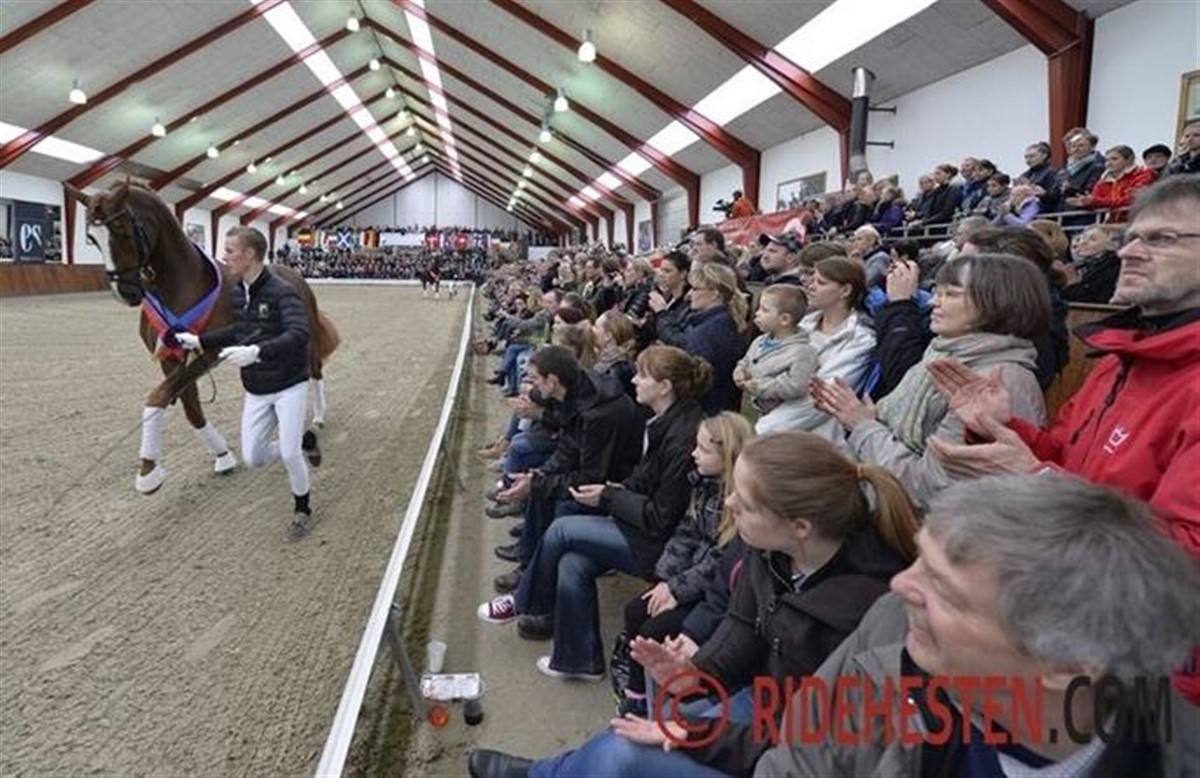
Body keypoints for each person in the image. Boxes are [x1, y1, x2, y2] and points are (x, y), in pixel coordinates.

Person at [466, 431, 920, 778]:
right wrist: (695, 673)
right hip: (765, 707)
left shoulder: (863, 611)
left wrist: (698, 733)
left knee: (627, 752)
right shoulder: (769, 549)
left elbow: (808, 744)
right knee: (646, 720)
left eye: (745, 502)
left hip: (793, 748)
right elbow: (741, 629)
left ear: (800, 526)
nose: (729, 503)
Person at [753, 474, 1199, 777]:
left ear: (1067, 664)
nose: (900, 585)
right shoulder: (894, 627)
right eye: (921, 560)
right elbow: (797, 763)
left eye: (944, 590)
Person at [926, 175, 1200, 559]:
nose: (1128, 252)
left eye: (1162, 238)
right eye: (1130, 237)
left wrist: (1039, 482)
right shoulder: (1119, 361)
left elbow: (1186, 556)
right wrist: (1000, 427)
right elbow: (1063, 456)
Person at [477, 346, 709, 681]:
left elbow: (662, 519)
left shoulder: (682, 436)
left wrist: (610, 495)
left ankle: (524, 600)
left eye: (643, 375)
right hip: (641, 525)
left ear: (665, 386)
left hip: (662, 548)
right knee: (572, 562)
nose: (634, 380)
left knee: (562, 529)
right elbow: (642, 480)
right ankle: (579, 661)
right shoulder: (665, 421)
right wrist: (613, 490)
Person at [814, 254, 1049, 509]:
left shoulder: (999, 382)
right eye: (937, 292)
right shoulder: (942, 352)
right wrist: (869, 420)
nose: (934, 301)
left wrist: (863, 425)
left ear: (997, 303)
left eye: (951, 294)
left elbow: (929, 487)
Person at [176, 227, 321, 537]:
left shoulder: (283, 292)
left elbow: (299, 333)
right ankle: (304, 441)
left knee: (290, 454)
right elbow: (237, 331)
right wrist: (199, 341)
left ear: (250, 254)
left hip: (289, 385)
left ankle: (302, 509)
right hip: (256, 388)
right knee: (253, 457)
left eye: (230, 251)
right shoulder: (238, 293)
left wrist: (256, 351)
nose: (225, 257)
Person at [609, 411, 754, 714]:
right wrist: (666, 579)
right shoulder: (702, 484)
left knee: (654, 628)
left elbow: (720, 558)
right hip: (690, 580)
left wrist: (677, 589)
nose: (694, 454)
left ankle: (647, 702)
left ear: (726, 455)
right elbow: (686, 533)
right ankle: (637, 692)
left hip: (710, 593)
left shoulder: (737, 503)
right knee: (636, 610)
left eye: (703, 449)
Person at [487, 345, 644, 593]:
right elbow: (569, 448)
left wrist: (539, 482)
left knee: (556, 498)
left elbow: (592, 476)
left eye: (535, 379)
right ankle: (529, 558)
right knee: (540, 479)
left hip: (612, 482)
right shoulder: (575, 392)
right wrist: (539, 476)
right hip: (594, 470)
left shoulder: (597, 413)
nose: (533, 386)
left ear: (552, 381)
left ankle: (538, 581)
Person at [733, 285, 818, 434]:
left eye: (764, 310)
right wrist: (740, 371)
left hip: (780, 421)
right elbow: (746, 360)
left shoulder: (802, 352)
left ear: (785, 319)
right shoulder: (760, 341)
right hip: (756, 411)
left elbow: (796, 385)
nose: (757, 313)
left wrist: (758, 386)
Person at [683, 262, 749, 414]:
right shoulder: (726, 321)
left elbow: (696, 379)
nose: (689, 294)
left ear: (715, 294)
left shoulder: (707, 331)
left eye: (695, 289)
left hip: (707, 411)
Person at [1075, 145, 1156, 223]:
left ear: (1129, 160)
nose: (1108, 163)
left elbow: (1130, 201)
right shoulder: (1103, 181)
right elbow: (1096, 202)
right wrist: (1084, 203)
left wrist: (1094, 201)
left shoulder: (1143, 175)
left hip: (1137, 222)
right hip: (1111, 223)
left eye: (1114, 159)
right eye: (1107, 160)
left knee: (1093, 230)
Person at [1062, 225, 1121, 303]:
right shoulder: (1082, 266)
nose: (1083, 242)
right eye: (1082, 238)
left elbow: (1089, 301)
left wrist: (1071, 284)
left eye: (1092, 239)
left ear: (1111, 246)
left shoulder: (1112, 269)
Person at [645, 250, 691, 349]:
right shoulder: (667, 297)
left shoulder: (688, 303)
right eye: (661, 270)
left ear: (683, 274)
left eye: (667, 271)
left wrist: (661, 312)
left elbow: (678, 339)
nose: (661, 275)